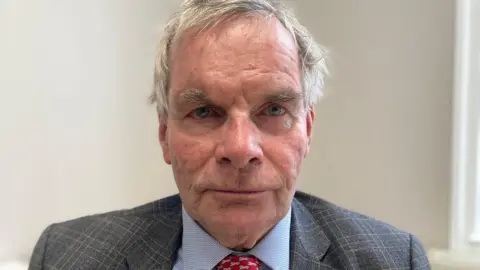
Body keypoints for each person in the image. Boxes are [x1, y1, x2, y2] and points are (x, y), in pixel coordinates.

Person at [28, 0, 431, 269]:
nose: (241, 149)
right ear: (165, 133)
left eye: (273, 110)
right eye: (204, 111)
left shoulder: (395, 260)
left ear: (307, 129)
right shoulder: (67, 256)